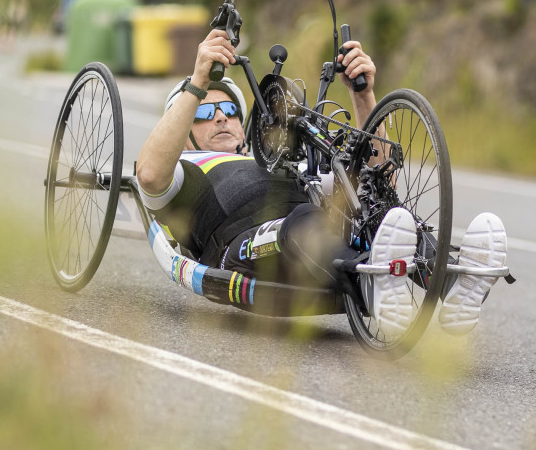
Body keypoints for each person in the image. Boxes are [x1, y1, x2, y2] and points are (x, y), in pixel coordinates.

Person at [136, 29, 507, 337]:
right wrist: (198, 81)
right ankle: (375, 278)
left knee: (378, 212)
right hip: (244, 247)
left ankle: (455, 284)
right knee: (302, 220)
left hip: (317, 247)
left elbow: (379, 180)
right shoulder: (184, 168)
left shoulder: (279, 160)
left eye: (230, 109)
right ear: (182, 130)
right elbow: (149, 175)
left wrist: (363, 97)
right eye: (202, 111)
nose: (220, 116)